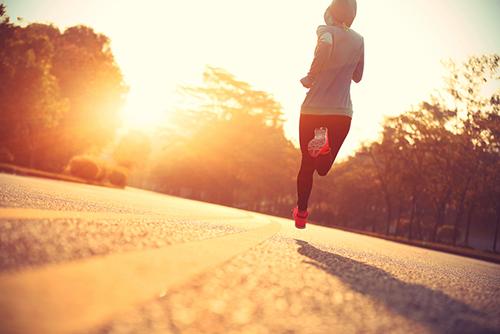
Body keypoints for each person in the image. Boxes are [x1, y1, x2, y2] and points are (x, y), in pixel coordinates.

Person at [293, 0, 364, 229]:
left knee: (306, 165)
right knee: (322, 169)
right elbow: (358, 76)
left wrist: (312, 76)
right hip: (341, 112)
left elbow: (324, 47)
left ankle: (301, 213)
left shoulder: (324, 31)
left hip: (313, 108)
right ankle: (324, 145)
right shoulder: (359, 40)